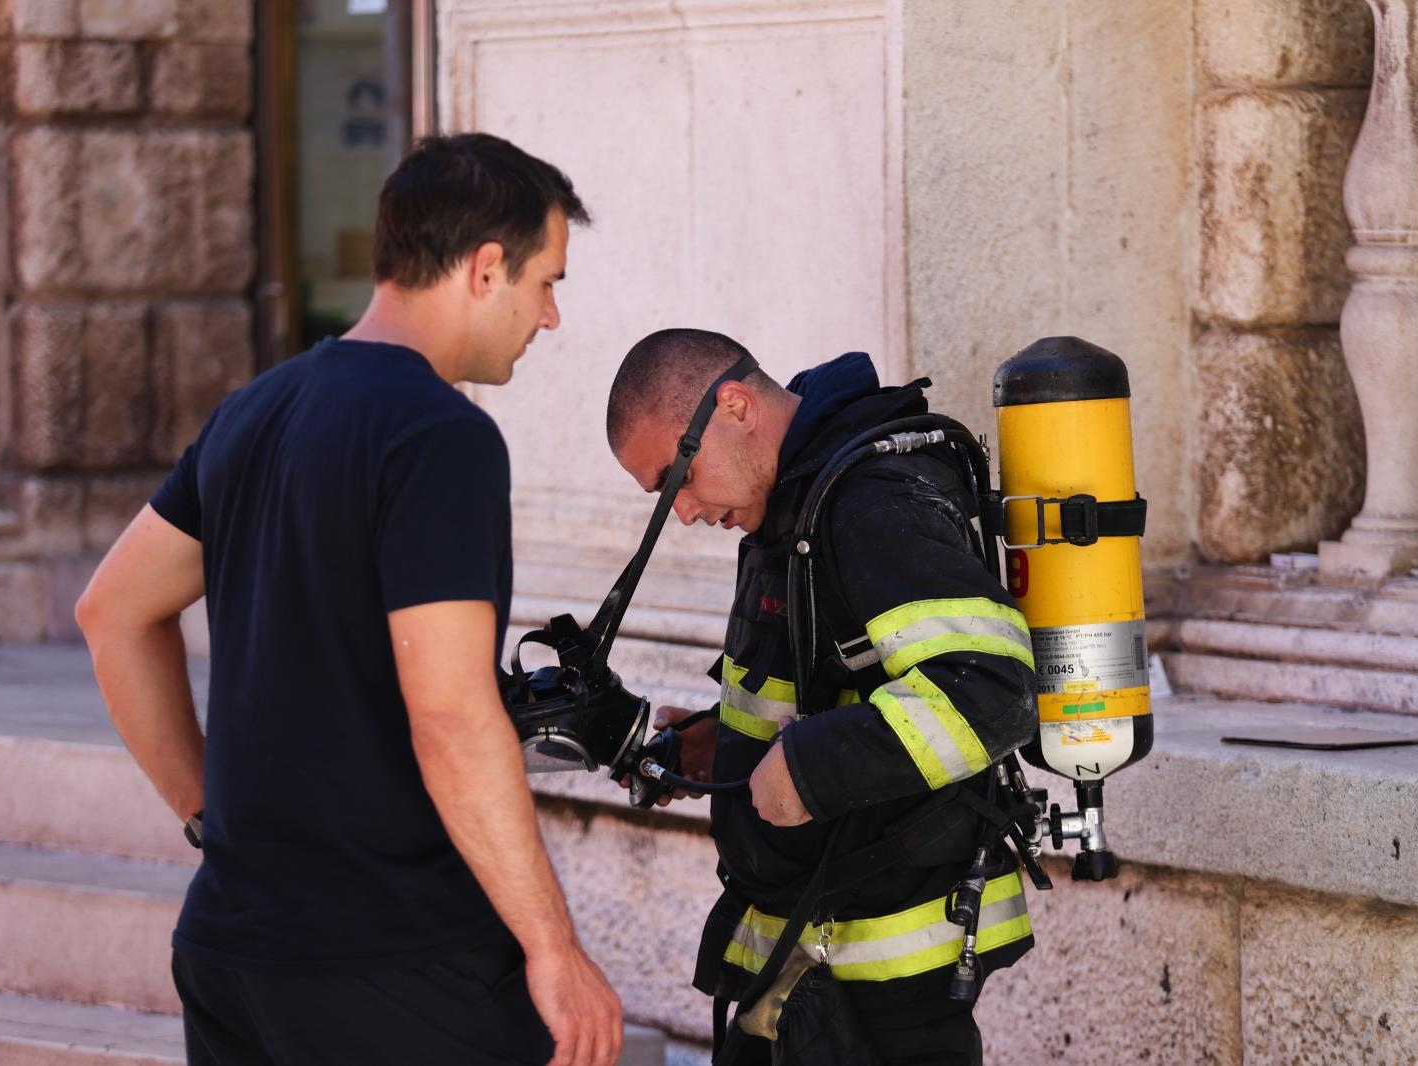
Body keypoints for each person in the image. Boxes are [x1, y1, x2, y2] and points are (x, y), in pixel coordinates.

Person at [75, 134, 623, 1066]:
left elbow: (114, 612)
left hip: (235, 951)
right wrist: (553, 948)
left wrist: (215, 817)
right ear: (485, 268)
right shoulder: (438, 436)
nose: (552, 316)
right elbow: (450, 714)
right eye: (546, 282)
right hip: (397, 962)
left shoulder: (254, 410)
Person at [605, 329, 1041, 1065]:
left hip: (887, 982)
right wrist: (716, 744)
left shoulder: (868, 499)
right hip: (802, 963)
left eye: (676, 477)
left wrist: (811, 771)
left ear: (734, 406)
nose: (680, 512)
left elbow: (990, 689)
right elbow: (833, 689)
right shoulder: (791, 502)